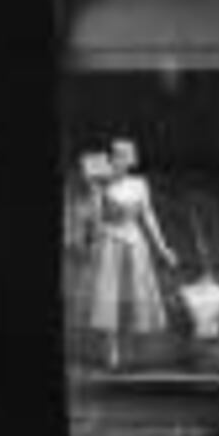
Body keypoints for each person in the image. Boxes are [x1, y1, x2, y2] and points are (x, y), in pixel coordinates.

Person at [78, 137, 182, 370]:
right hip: (109, 241)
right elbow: (94, 221)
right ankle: (112, 351)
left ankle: (133, 353)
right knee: (108, 297)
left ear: (131, 160)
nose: (121, 161)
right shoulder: (102, 184)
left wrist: (163, 248)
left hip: (134, 242)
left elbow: (148, 216)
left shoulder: (139, 184)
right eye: (117, 156)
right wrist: (94, 192)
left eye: (126, 156)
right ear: (111, 159)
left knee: (135, 297)